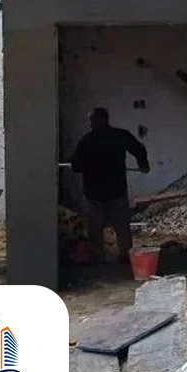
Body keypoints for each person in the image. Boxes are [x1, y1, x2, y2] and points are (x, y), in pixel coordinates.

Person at [71, 107, 149, 264]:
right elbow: (139, 149)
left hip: (95, 192)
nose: (91, 123)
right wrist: (143, 164)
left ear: (97, 120)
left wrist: (89, 166)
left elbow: (76, 166)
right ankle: (126, 256)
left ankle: (98, 258)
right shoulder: (119, 135)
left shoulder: (87, 141)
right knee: (122, 227)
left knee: (95, 229)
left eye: (92, 120)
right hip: (116, 190)